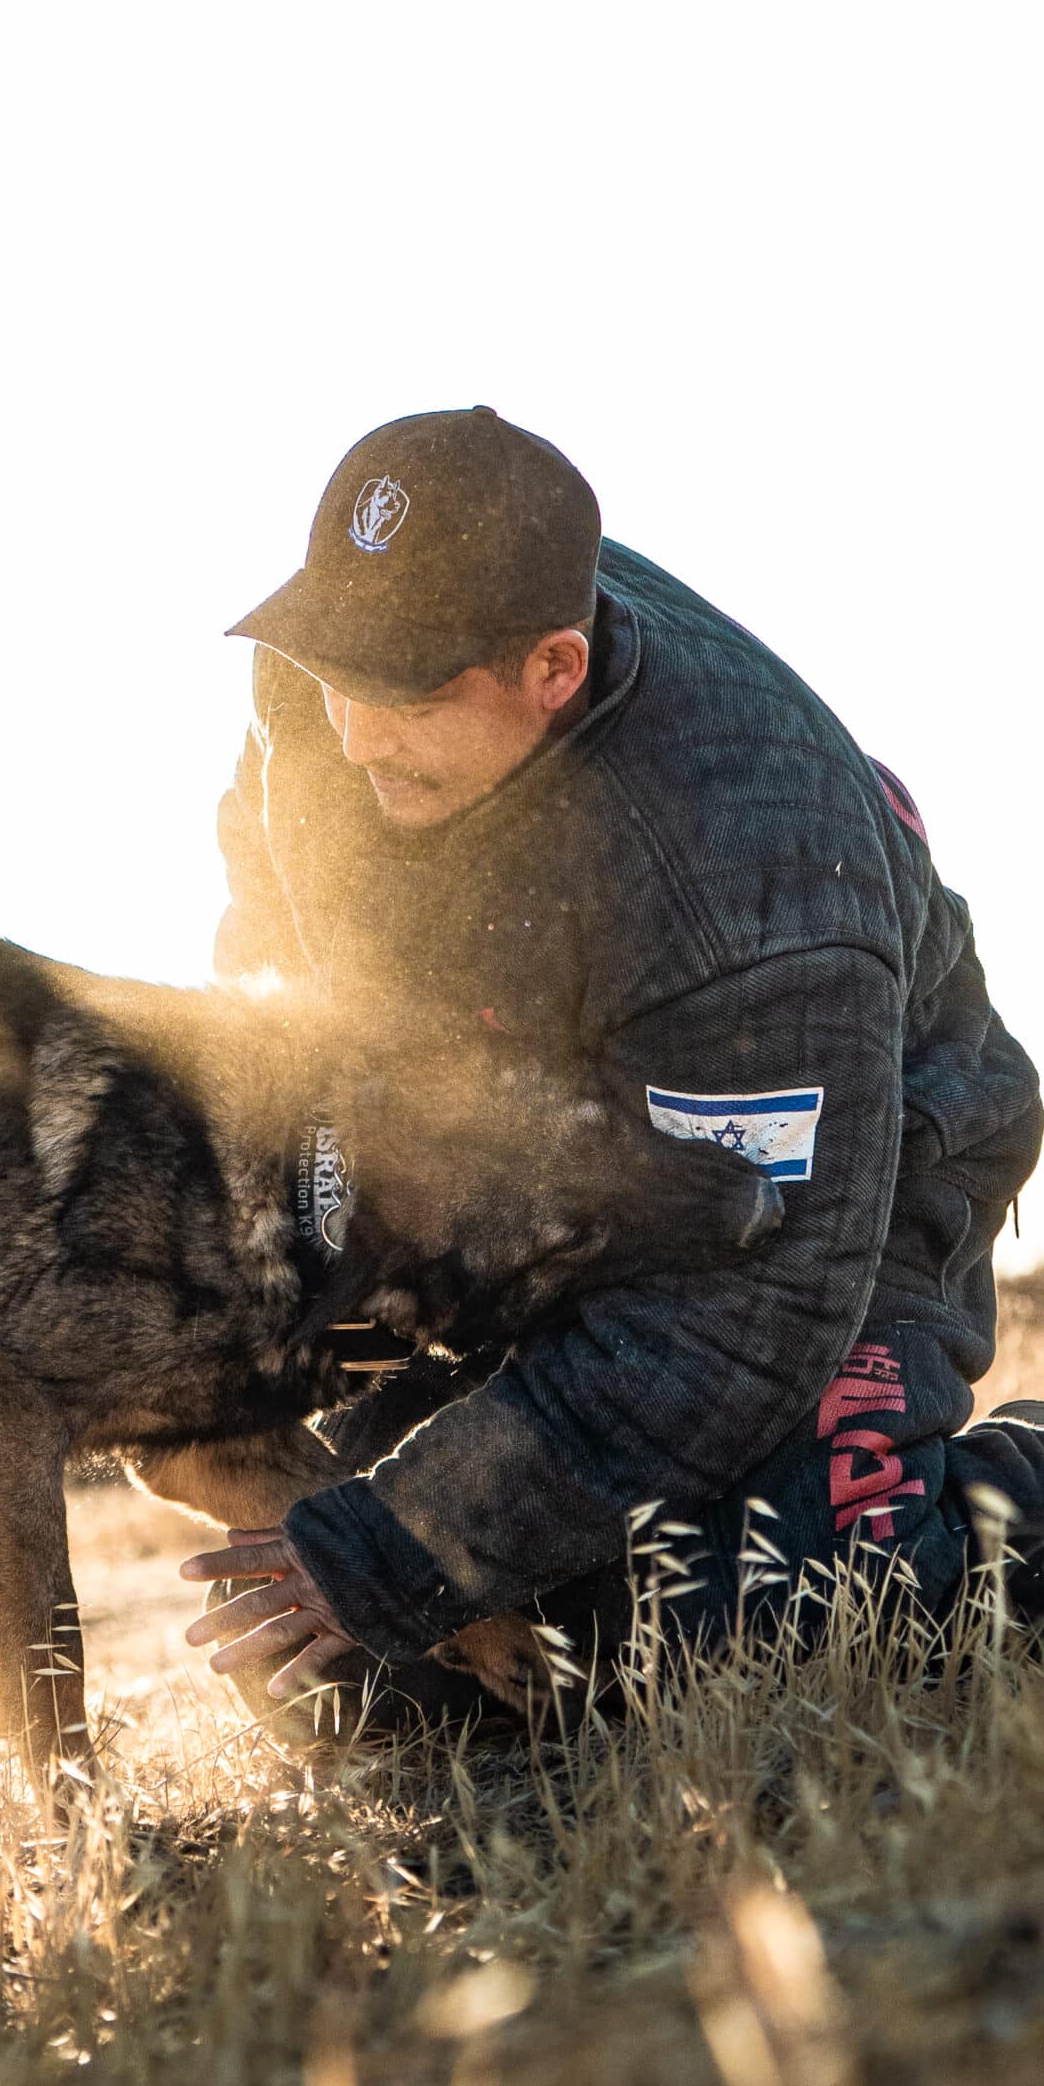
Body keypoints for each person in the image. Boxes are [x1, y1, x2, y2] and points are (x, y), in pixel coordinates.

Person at [180, 407, 1044, 1729]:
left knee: (778, 1638)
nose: (354, 730)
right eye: (335, 669)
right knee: (394, 1696)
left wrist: (398, 1545)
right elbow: (270, 861)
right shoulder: (331, 688)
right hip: (542, 1145)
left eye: (404, 690)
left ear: (552, 668)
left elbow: (744, 1312)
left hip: (829, 1188)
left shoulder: (751, 881)